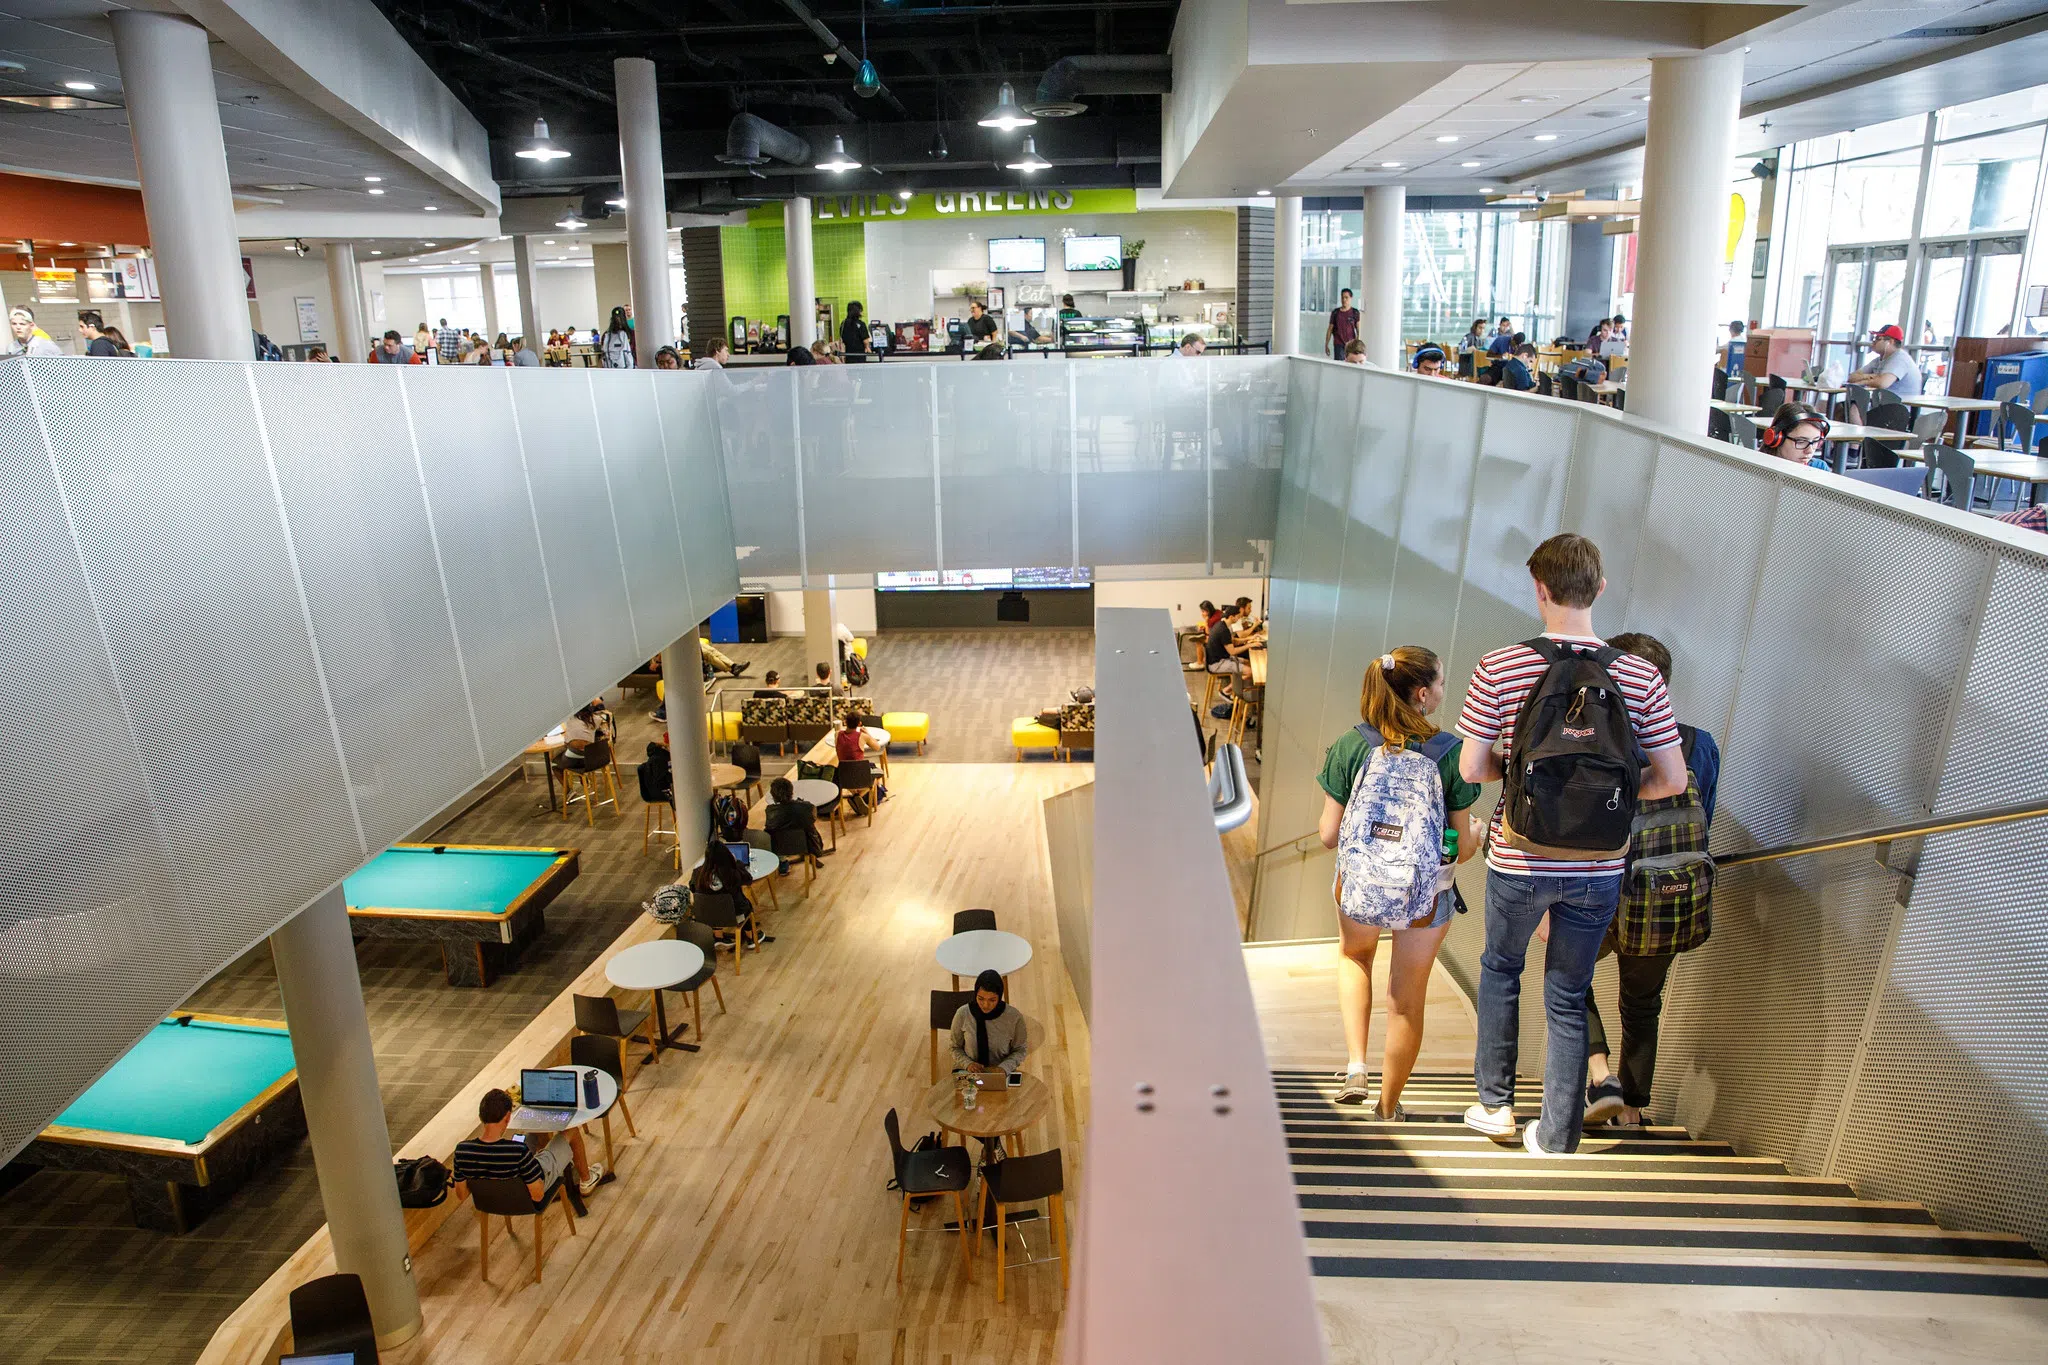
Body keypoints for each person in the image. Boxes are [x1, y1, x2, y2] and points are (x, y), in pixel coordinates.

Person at [1454, 533, 1688, 1155]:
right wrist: (1599, 798)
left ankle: (1496, 1107)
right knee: (1567, 989)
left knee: (1502, 969)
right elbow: (1671, 779)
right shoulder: (1639, 675)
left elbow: (1473, 769)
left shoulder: (1501, 666)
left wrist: (1535, 784)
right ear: (1600, 588)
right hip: (1600, 864)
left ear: (1540, 589)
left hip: (1519, 855)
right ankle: (1557, 1136)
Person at [1318, 646, 1482, 1114]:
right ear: (1423, 694)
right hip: (1425, 896)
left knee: (1355, 956)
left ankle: (1355, 1066)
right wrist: (1472, 834)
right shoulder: (1449, 754)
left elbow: (1329, 835)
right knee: (1406, 998)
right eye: (1443, 684)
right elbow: (1462, 848)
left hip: (1359, 886)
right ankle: (1389, 1107)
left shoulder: (1352, 745)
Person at [1581, 631, 1720, 1130]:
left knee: (1568, 977)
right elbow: (1704, 822)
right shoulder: (1699, 744)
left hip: (1599, 888)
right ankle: (1634, 1112)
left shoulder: (1598, 742)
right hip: (1665, 896)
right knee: (1642, 1004)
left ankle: (1601, 1077)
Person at [450, 1088, 604, 1202]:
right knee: (571, 1131)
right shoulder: (518, 1152)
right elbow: (537, 1196)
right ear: (507, 1117)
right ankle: (586, 1180)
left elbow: (462, 1195)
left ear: (481, 1116)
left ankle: (559, 1164)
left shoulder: (462, 1151)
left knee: (535, 1133)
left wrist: (490, 1179)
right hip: (535, 1184)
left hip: (493, 1202)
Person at [950, 969, 1028, 1075]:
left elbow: (1020, 1049)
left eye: (992, 1000)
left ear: (1000, 997)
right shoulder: (963, 1014)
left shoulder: (1014, 1017)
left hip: (1002, 1074)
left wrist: (1004, 1068)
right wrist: (968, 1064)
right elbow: (955, 1047)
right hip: (970, 1074)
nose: (986, 1005)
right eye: (980, 999)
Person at [763, 776, 827, 865]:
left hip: (780, 848)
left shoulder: (770, 812)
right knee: (809, 826)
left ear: (773, 795)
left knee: (773, 833)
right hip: (805, 845)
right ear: (791, 792)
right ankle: (812, 856)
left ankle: (782, 864)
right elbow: (812, 819)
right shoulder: (807, 807)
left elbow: (770, 827)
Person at [1846, 323, 1922, 398]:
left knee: (1853, 404)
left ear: (1890, 342)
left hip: (1898, 407)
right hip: (1882, 403)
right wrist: (1872, 376)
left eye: (1878, 339)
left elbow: (1882, 383)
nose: (1873, 342)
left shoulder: (1900, 359)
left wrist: (1863, 381)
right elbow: (1851, 377)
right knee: (1842, 406)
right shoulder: (1880, 359)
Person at [1758, 401, 1833, 469]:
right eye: (1801, 441)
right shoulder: (1756, 469)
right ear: (1776, 438)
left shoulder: (1819, 468)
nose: (1810, 451)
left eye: (1815, 441)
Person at [1325, 287, 1360, 360]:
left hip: (1351, 345)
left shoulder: (1355, 312)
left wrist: (1357, 345)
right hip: (1339, 344)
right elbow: (1330, 329)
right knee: (1339, 366)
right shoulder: (1335, 313)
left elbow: (1358, 330)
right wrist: (1326, 344)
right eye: (1342, 297)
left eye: (1346, 297)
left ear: (1351, 298)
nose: (1344, 300)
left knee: (1351, 364)